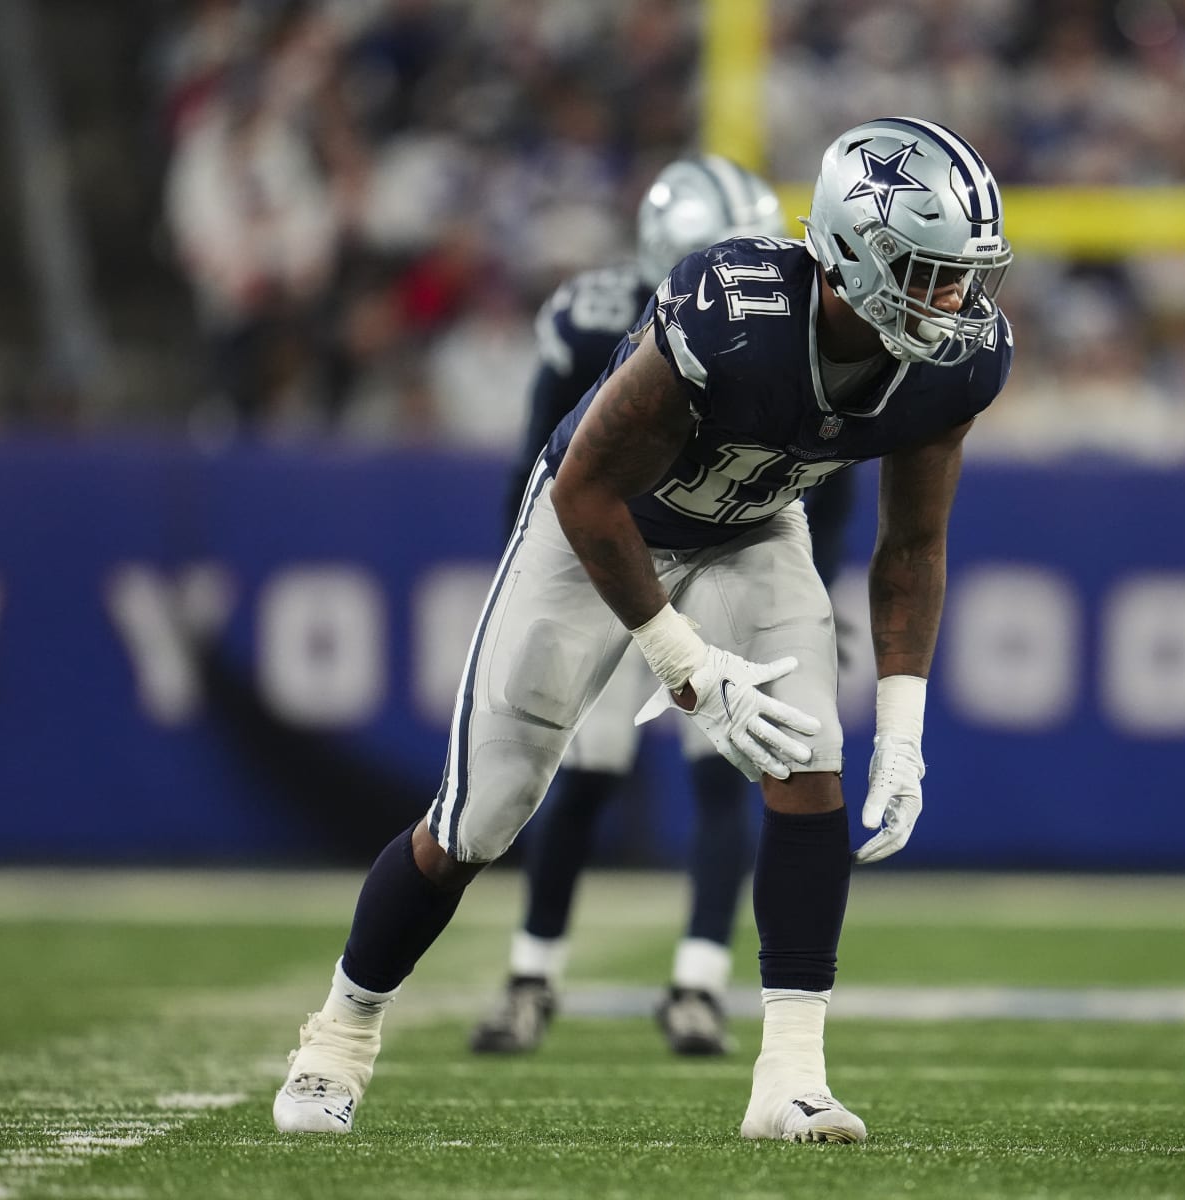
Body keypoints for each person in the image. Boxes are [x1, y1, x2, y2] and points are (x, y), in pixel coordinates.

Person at [272, 115, 1014, 1143]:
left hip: (754, 527)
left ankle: (789, 1079)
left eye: (965, 275)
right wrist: (680, 661)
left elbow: (912, 546)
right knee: (482, 814)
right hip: (599, 527)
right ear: (855, 254)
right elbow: (585, 489)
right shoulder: (737, 313)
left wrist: (905, 728)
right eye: (931, 273)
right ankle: (339, 1036)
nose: (959, 303)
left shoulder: (956, 364)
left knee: (809, 766)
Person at [467, 154, 855, 1059]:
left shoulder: (796, 341)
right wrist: (527, 590)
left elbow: (826, 485)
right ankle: (534, 973)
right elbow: (543, 467)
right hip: (613, 565)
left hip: (729, 560)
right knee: (576, 774)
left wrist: (806, 602)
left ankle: (697, 983)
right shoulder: (597, 321)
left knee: (728, 774)